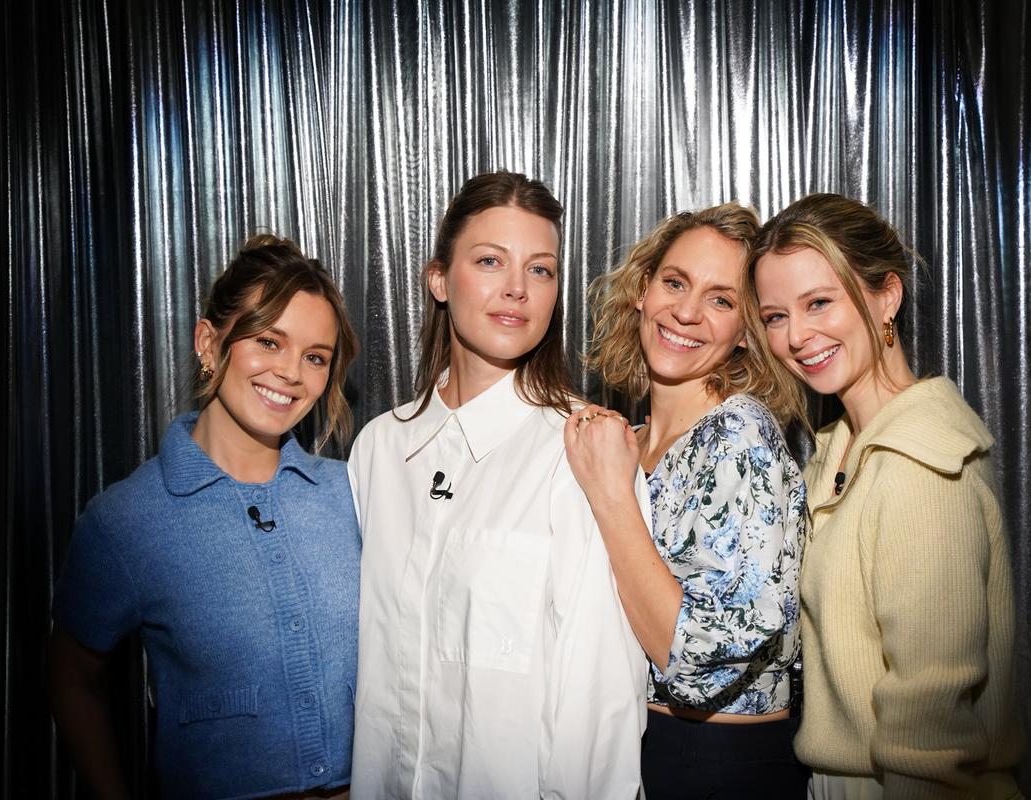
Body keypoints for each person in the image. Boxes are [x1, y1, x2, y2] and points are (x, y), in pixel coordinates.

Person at [348, 171, 647, 800]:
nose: (517, 289)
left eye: (541, 270)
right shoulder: (379, 450)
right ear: (438, 279)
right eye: (489, 261)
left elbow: (601, 700)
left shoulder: (582, 449)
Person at [50, 235, 362, 799]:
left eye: (315, 356)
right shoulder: (126, 520)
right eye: (269, 341)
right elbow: (72, 680)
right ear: (208, 342)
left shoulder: (352, 496)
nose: (291, 372)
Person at [750, 193, 1024, 800]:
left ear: (886, 297)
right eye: (775, 317)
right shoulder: (840, 449)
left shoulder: (918, 465)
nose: (797, 336)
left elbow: (930, 732)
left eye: (819, 302)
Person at [563, 204, 809, 798]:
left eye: (721, 300)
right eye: (675, 282)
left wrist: (609, 495)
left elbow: (699, 663)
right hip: (631, 745)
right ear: (644, 291)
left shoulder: (739, 434)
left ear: (746, 330)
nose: (687, 312)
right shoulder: (632, 442)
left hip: (720, 765)